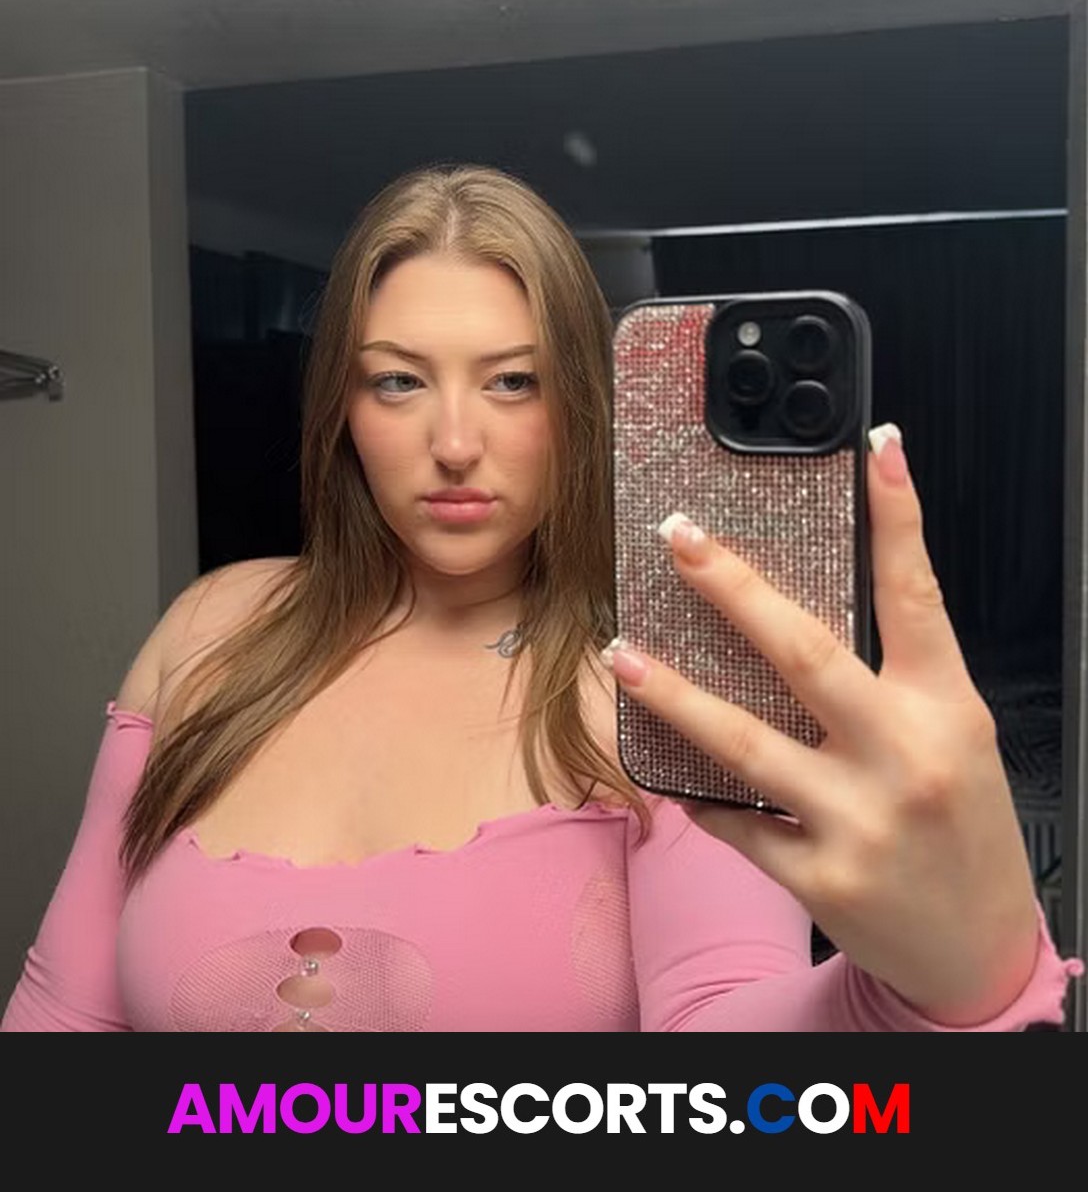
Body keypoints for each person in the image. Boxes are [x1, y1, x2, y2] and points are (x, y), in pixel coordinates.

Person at [2, 164, 1081, 1032]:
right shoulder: (211, 628)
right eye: (398, 379)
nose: (454, 442)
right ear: (342, 405)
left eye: (512, 380)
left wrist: (930, 991)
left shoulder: (660, 688)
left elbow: (721, 1046)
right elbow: (62, 1012)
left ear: (578, 405)